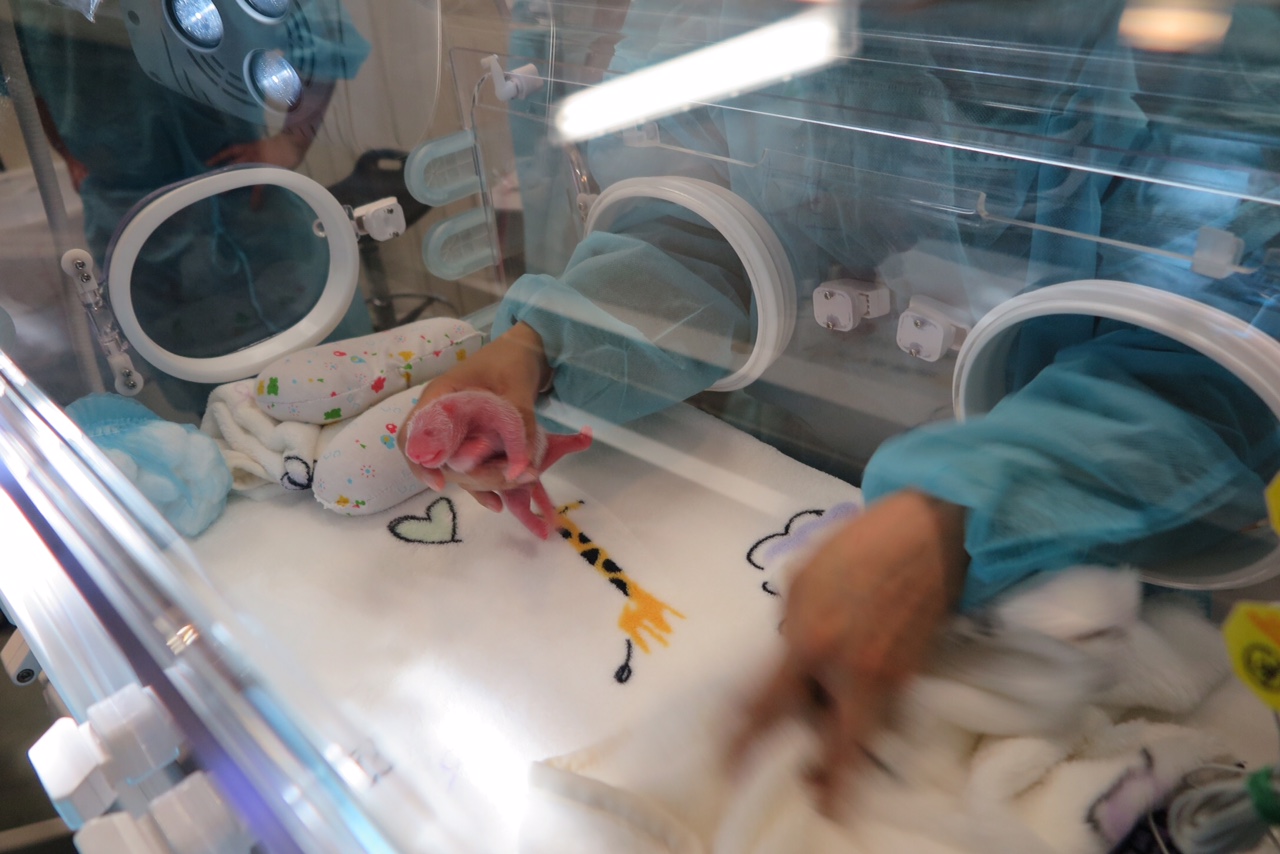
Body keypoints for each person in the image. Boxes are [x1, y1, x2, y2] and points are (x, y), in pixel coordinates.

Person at [402, 0, 1280, 811]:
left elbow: (1214, 362)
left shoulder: (1194, 43)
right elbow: (718, 233)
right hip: (793, 480)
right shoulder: (740, 20)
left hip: (1094, 544)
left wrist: (957, 516)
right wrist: (546, 349)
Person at [7, 0, 373, 417]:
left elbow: (323, 34)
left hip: (245, 204)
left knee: (342, 381)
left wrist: (291, 142)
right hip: (131, 220)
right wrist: (70, 155)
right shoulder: (38, 9)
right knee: (218, 411)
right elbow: (23, 74)